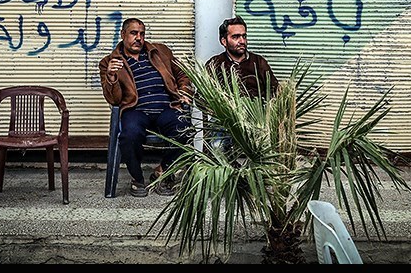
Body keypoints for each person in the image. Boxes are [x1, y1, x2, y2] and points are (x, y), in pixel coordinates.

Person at [99, 17, 194, 197]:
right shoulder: (109, 62)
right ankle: (137, 178)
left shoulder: (161, 52)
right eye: (133, 33)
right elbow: (114, 99)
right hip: (135, 109)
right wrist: (111, 76)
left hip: (166, 107)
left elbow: (182, 75)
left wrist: (184, 91)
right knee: (129, 134)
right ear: (123, 34)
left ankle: (163, 171)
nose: (139, 38)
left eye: (142, 34)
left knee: (185, 129)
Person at [205, 15, 278, 100]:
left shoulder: (258, 62)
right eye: (235, 37)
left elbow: (275, 92)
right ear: (224, 41)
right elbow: (202, 97)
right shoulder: (214, 64)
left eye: (244, 36)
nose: (242, 41)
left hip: (257, 108)